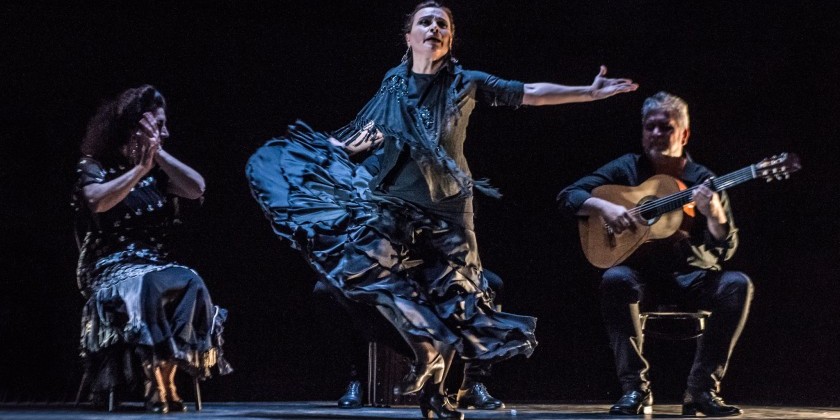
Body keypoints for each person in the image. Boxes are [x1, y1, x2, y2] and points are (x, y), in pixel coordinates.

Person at [247, 2, 637, 418]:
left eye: (442, 24)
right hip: (394, 205)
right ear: (409, 37)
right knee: (362, 266)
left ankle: (437, 393)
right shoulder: (393, 84)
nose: (433, 27)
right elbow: (370, 133)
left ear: (449, 38)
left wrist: (588, 92)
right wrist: (325, 153)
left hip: (450, 210)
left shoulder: (464, 82)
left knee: (456, 300)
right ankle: (426, 349)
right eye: (425, 22)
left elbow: (530, 93)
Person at [557, 92, 753, 417]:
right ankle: (635, 389)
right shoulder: (627, 168)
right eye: (651, 127)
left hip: (691, 277)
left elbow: (726, 249)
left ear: (684, 134)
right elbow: (569, 195)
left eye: (666, 127)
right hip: (642, 276)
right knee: (615, 278)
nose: (657, 134)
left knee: (737, 284)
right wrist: (604, 207)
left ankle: (702, 391)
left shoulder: (704, 181)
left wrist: (716, 216)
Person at [73, 85, 231, 413]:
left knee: (190, 280)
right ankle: (159, 382)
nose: (166, 131)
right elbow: (97, 202)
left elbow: (196, 187)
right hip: (107, 265)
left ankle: (164, 376)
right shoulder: (95, 165)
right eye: (158, 125)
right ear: (134, 128)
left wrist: (155, 154)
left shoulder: (157, 173)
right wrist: (137, 171)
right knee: (151, 285)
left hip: (153, 265)